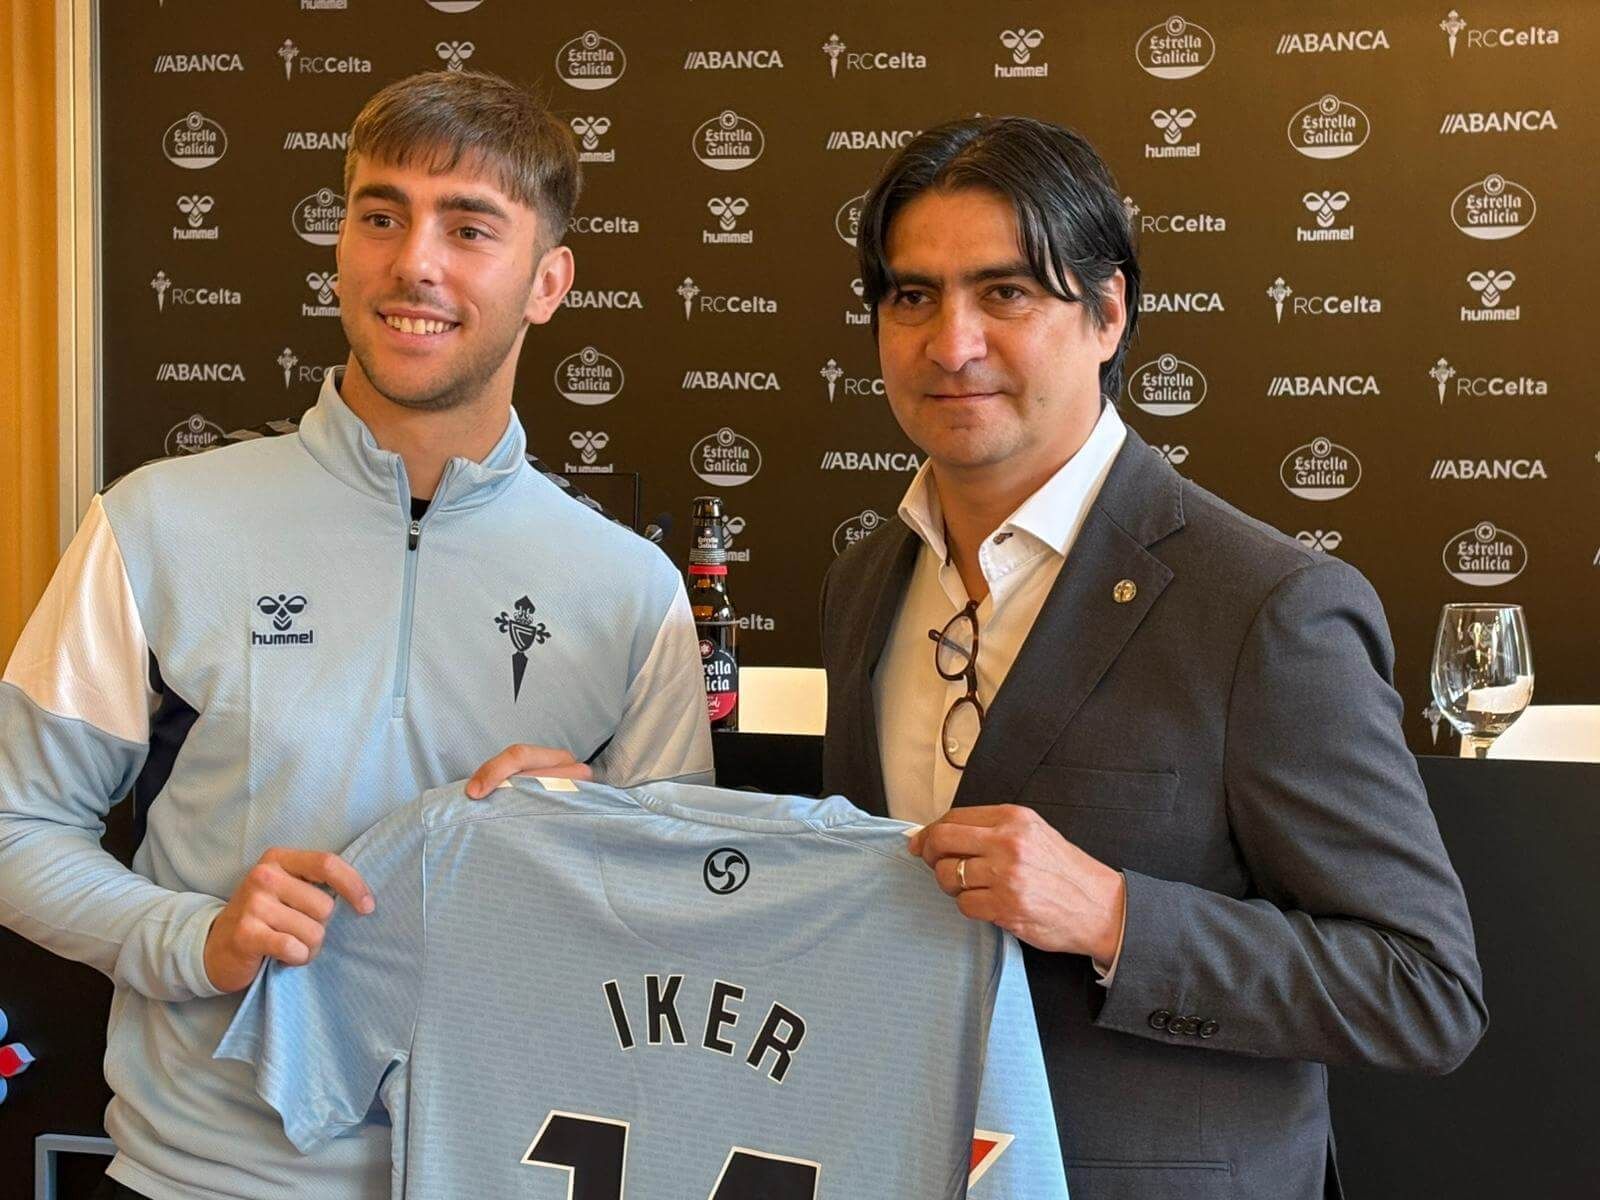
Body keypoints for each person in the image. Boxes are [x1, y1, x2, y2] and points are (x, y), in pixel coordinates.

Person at [0, 71, 710, 1200]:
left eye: (469, 228)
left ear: (549, 281)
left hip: (507, 1173)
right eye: (381, 216)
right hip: (199, 1180)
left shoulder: (631, 592)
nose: (413, 262)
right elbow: (16, 828)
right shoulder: (155, 523)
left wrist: (593, 851)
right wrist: (197, 937)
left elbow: (687, 933)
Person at [817, 116, 1486, 1199]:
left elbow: (1422, 989)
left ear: (1107, 311)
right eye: (911, 296)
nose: (951, 343)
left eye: (1006, 294)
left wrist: (1115, 916)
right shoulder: (863, 582)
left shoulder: (1267, 608)